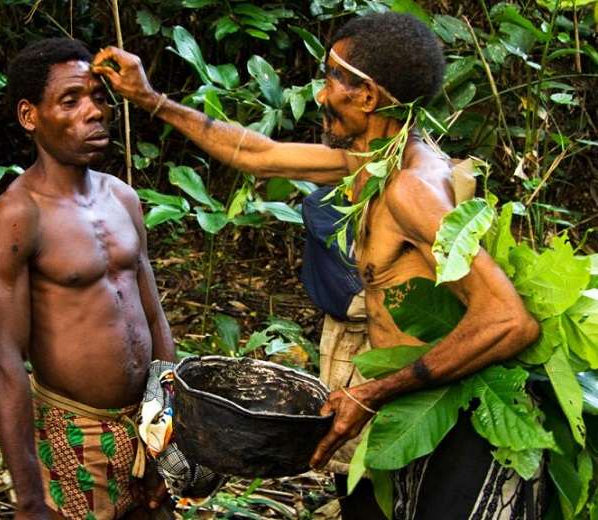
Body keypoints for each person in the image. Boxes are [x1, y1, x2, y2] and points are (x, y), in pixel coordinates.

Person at [93, 12, 542, 519]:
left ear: (367, 96)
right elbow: (258, 154)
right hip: (406, 414)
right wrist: (152, 100)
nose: (321, 94)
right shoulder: (375, 161)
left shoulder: (411, 188)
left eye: (330, 78)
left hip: (449, 422)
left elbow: (509, 319)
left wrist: (374, 392)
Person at [0, 38, 175, 520]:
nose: (94, 112)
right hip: (76, 429)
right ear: (31, 116)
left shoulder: (123, 198)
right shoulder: (18, 215)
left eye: (98, 97)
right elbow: (6, 359)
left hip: (146, 423)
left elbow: (156, 323)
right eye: (71, 101)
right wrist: (28, 496)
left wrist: (163, 433)